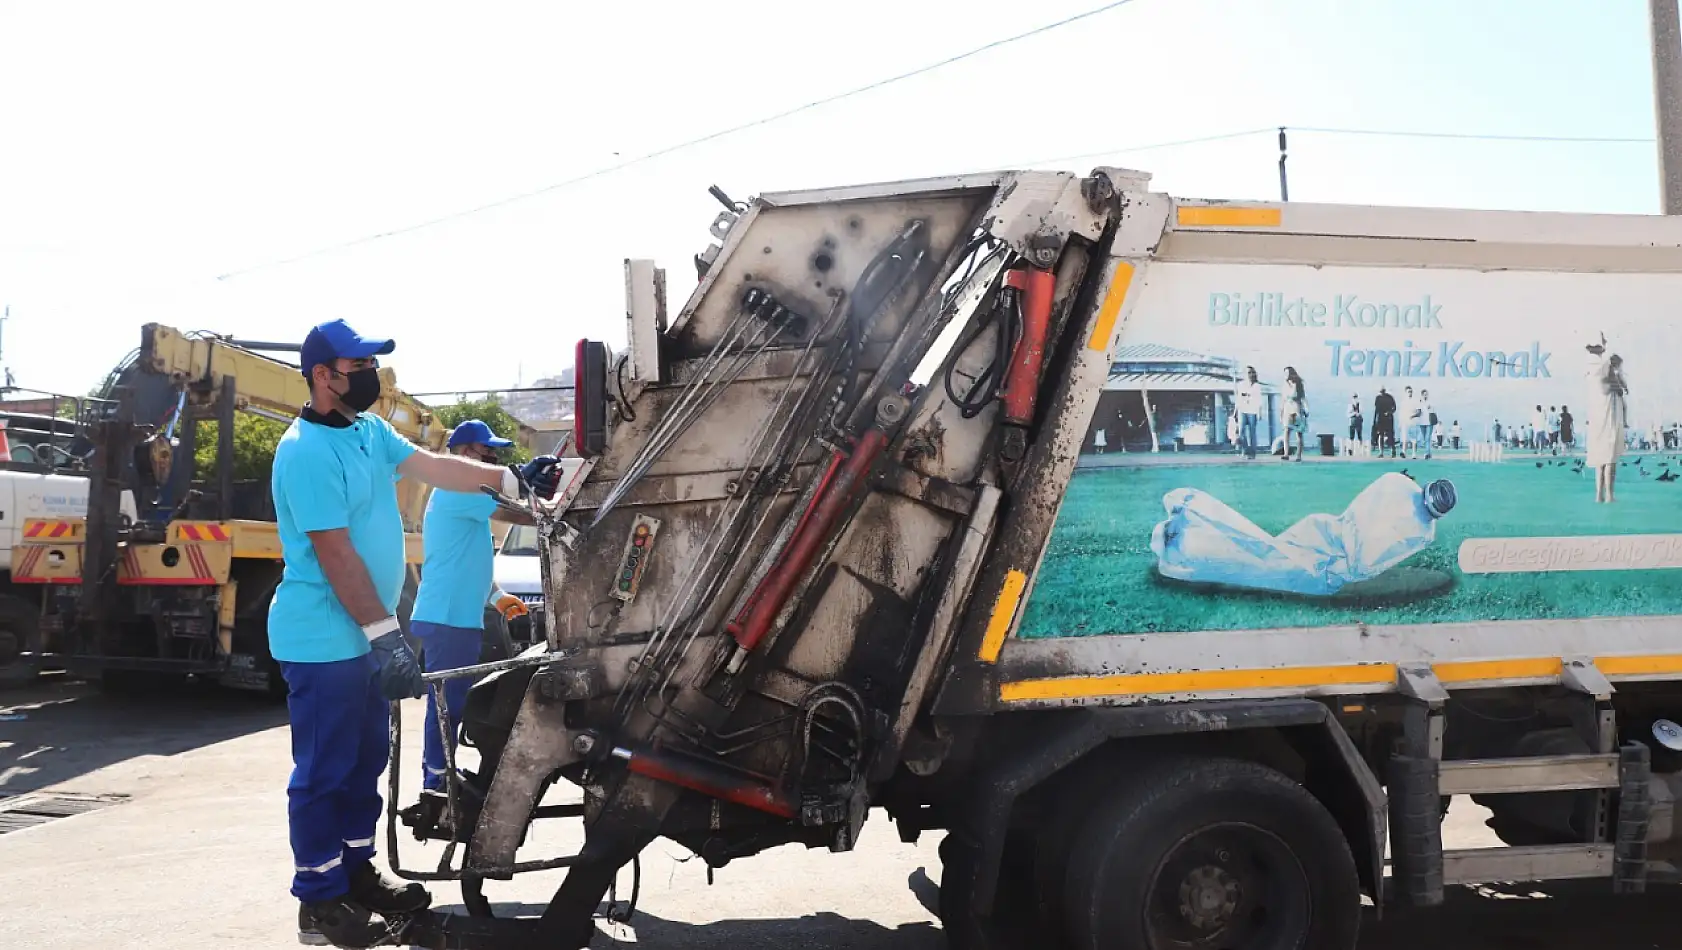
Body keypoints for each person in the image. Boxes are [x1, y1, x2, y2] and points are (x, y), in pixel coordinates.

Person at [269, 318, 563, 948]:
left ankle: (354, 874)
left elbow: (435, 466)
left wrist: (510, 479)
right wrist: (385, 633)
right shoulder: (304, 452)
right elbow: (335, 554)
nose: (369, 376)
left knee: (365, 763)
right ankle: (318, 903)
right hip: (323, 640)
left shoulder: (368, 432)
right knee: (325, 769)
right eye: (358, 366)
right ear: (323, 375)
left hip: (364, 637)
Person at [401, 419, 547, 837]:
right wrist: (553, 510)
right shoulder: (454, 488)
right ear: (465, 454)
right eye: (487, 453)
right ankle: (435, 779)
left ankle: (441, 769)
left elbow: (469, 558)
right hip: (447, 616)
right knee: (446, 704)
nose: (493, 460)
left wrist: (498, 596)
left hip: (457, 615)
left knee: (456, 702)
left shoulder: (463, 496)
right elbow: (511, 510)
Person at [1585, 333, 1628, 503]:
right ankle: (1609, 495)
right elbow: (1609, 365)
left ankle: (1599, 495)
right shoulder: (1604, 375)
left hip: (1597, 421)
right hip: (1608, 420)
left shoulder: (1592, 372)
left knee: (1599, 460)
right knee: (1609, 459)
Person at [1234, 366, 1263, 460]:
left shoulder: (1257, 386)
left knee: (1252, 432)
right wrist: (1235, 411)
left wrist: (1259, 412)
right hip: (1242, 409)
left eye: (1251, 372)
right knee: (1241, 430)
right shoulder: (1240, 385)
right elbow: (1238, 399)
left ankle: (1253, 452)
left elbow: (1259, 400)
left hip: (1252, 410)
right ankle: (1245, 449)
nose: (1250, 374)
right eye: (1248, 373)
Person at [1282, 366, 1307, 461]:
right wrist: (1281, 411)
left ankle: (1298, 455)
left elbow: (1302, 397)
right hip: (1287, 408)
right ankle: (1286, 453)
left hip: (1296, 408)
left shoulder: (1298, 384)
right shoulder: (1284, 385)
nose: (1286, 375)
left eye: (1287, 373)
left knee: (1298, 432)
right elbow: (1283, 399)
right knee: (1286, 430)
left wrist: (1306, 409)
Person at [1372, 387, 1397, 458]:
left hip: (1388, 418)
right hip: (1380, 418)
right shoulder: (1378, 398)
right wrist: (1375, 420)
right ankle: (1381, 452)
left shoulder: (1389, 397)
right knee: (1381, 435)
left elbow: (1394, 408)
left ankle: (1392, 450)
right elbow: (1376, 410)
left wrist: (1389, 412)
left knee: (1390, 435)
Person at [1417, 388, 1435, 459]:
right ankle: (1429, 453)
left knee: (1427, 438)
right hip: (1422, 422)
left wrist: (1430, 408)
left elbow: (1433, 411)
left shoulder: (1430, 402)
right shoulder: (1419, 402)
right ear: (1422, 395)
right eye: (1424, 395)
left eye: (1426, 395)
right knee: (1425, 438)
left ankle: (1427, 453)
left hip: (1429, 422)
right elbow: (1418, 412)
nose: (1425, 396)